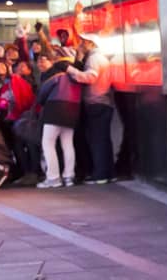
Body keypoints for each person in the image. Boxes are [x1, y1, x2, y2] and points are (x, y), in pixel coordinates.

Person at [68, 36, 116, 184]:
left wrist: (70, 70)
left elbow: (90, 77)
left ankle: (100, 175)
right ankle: (107, 173)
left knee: (97, 141)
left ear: (90, 43)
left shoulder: (94, 58)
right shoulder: (100, 57)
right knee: (103, 140)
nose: (80, 44)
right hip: (103, 102)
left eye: (82, 41)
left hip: (96, 102)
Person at [36, 54, 80, 188]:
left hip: (55, 108)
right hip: (73, 109)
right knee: (67, 143)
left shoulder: (56, 76)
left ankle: (53, 178)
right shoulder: (77, 77)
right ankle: (69, 176)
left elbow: (42, 94)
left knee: (48, 143)